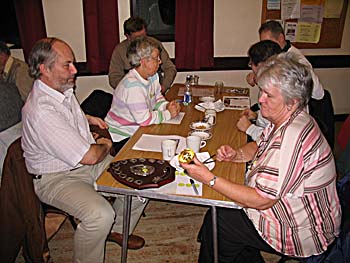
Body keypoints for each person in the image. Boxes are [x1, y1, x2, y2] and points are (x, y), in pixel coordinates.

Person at [181, 53, 341, 262]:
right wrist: (237, 154)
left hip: (304, 232)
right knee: (223, 218)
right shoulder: (289, 118)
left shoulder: (291, 137)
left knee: (221, 220)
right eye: (262, 91)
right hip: (292, 211)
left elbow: (262, 200)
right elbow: (259, 145)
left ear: (291, 102)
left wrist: (209, 178)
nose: (260, 99)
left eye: (268, 95)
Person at [21, 37, 147, 263]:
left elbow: (68, 116)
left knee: (141, 182)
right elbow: (89, 156)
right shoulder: (42, 110)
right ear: (44, 69)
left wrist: (87, 118)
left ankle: (115, 230)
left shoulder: (60, 91)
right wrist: (106, 145)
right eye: (66, 65)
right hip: (56, 178)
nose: (74, 70)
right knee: (100, 214)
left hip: (79, 165)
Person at [105, 36, 181, 152]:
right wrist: (168, 114)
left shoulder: (152, 76)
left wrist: (166, 106)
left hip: (138, 129)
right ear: (143, 61)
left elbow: (156, 98)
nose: (160, 62)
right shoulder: (133, 86)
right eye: (156, 58)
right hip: (122, 137)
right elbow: (144, 120)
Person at [256, 20, 324, 100]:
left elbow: (319, 93)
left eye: (268, 42)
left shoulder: (297, 59)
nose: (265, 47)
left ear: (281, 38)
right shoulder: (275, 55)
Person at [109, 16, 177, 94]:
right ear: (128, 36)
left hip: (155, 92)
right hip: (132, 93)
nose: (142, 40)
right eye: (138, 37)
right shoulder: (119, 50)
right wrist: (132, 89)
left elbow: (170, 68)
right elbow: (114, 78)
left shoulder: (154, 44)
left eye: (144, 36)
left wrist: (164, 87)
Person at [237, 40, 282, 141]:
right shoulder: (272, 82)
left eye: (252, 63)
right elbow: (268, 122)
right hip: (259, 132)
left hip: (264, 142)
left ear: (262, 65)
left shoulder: (281, 93)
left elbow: (276, 141)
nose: (261, 100)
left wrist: (250, 128)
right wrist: (257, 116)